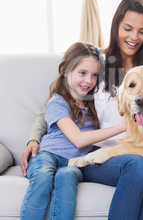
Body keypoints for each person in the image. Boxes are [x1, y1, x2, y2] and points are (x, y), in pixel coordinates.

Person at [21, 0, 143, 220]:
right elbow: (57, 104)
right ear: (116, 27)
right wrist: (34, 139)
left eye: (142, 31)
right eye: (127, 28)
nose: (134, 37)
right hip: (101, 153)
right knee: (136, 164)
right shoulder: (98, 64)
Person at [20, 41, 126, 219]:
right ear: (65, 70)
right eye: (82, 73)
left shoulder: (95, 103)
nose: (88, 81)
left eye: (94, 75)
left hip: (75, 162)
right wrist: (125, 126)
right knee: (44, 176)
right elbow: (78, 139)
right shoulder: (58, 102)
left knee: (67, 177)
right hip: (49, 154)